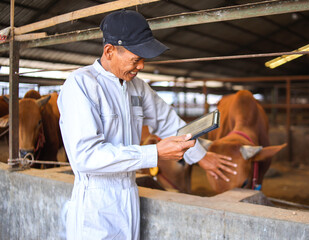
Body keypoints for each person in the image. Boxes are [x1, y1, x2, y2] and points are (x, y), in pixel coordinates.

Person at [58, 10, 237, 240]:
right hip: (96, 204)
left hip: (130, 195)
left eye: (143, 59)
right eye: (136, 58)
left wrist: (201, 156)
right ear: (110, 51)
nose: (141, 66)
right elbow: (85, 156)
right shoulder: (80, 85)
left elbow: (167, 121)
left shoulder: (137, 87)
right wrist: (155, 152)